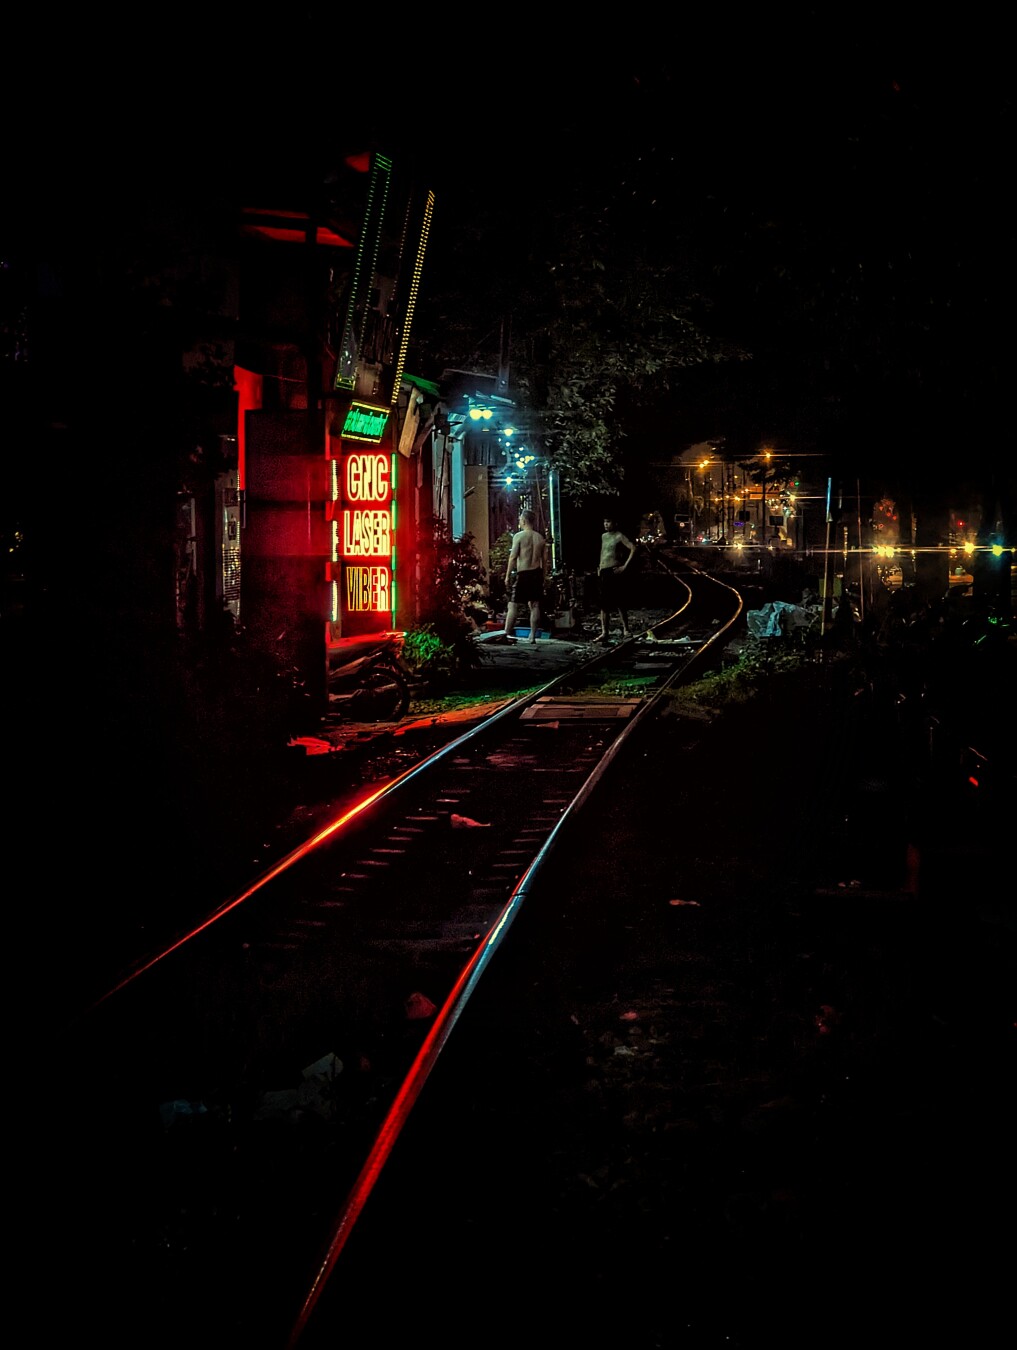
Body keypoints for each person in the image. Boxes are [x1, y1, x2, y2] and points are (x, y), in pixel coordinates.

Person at [503, 508, 547, 644]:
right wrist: (544, 577)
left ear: (523, 520)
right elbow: (545, 561)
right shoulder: (540, 538)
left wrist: (507, 575)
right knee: (534, 605)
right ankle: (532, 636)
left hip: (523, 573)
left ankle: (506, 633)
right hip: (536, 573)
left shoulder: (519, 536)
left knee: (513, 605)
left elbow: (513, 557)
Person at [597, 516, 637, 640]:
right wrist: (599, 567)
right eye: (604, 522)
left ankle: (626, 629)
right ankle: (604, 632)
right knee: (604, 604)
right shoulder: (603, 536)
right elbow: (603, 552)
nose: (606, 524)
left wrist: (625, 566)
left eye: (608, 521)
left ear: (615, 523)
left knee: (620, 601)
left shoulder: (619, 536)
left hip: (614, 571)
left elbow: (633, 548)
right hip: (604, 572)